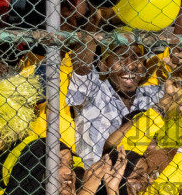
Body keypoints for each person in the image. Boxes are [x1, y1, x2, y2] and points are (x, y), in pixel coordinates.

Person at [68, 36, 161, 167]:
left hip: (141, 180)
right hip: (96, 181)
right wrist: (91, 31)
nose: (131, 65)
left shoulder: (153, 94)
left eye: (136, 57)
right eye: (121, 57)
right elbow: (82, 71)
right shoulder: (95, 91)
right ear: (103, 65)